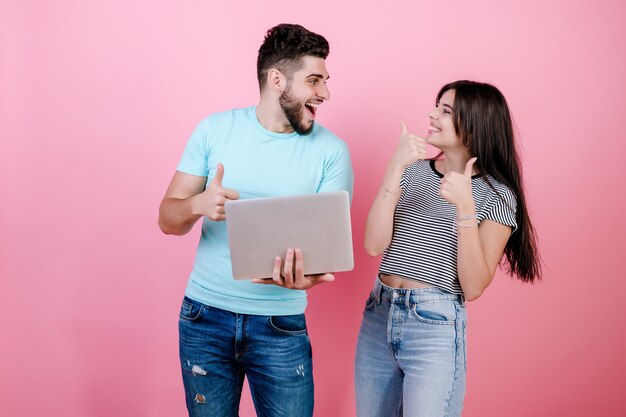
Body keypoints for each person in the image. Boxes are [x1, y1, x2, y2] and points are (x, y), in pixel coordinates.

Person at [158, 23, 353, 417]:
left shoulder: (332, 152)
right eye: (314, 80)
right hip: (203, 320)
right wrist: (198, 204)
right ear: (276, 79)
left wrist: (307, 278)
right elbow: (168, 219)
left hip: (280, 326)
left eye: (325, 81)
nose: (325, 93)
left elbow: (327, 255)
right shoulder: (214, 129)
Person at [355, 80, 541, 417]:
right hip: (378, 315)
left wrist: (466, 209)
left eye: (445, 110)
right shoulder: (412, 172)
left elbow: (473, 286)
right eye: (436, 106)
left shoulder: (496, 195)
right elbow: (373, 244)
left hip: (434, 327)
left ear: (473, 126)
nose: (432, 114)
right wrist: (394, 171)